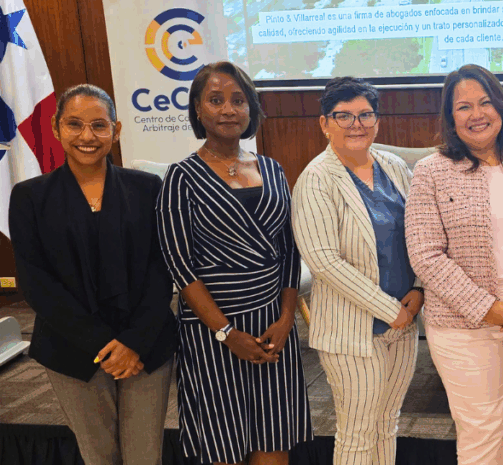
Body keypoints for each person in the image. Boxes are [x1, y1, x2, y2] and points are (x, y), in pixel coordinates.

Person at [405, 64, 503, 465]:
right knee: (480, 428)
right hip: (462, 325)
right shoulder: (431, 171)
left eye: (484, 102)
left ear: (501, 107)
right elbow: (425, 253)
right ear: (451, 118)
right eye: (463, 107)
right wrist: (485, 308)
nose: (476, 114)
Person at [9, 84, 176, 465]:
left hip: (145, 345)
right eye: (75, 124)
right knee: (99, 456)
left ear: (116, 130)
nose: (87, 136)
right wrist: (104, 344)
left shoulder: (147, 188)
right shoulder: (30, 196)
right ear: (56, 127)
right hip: (71, 347)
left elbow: (161, 270)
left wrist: (132, 343)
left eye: (99, 125)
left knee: (144, 457)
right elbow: (36, 282)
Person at [156, 61, 313, 465]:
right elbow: (179, 265)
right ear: (197, 109)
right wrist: (226, 333)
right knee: (221, 447)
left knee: (274, 441)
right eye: (215, 100)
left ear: (251, 109)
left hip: (272, 329)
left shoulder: (273, 169)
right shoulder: (181, 178)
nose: (228, 109)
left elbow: (289, 251)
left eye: (238, 100)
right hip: (212, 332)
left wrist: (287, 319)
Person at [292, 77, 423, 465]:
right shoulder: (316, 178)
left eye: (365, 115)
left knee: (386, 424)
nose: (356, 124)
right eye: (343, 116)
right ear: (324, 123)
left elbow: (422, 233)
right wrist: (390, 309)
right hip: (351, 331)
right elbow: (324, 261)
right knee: (357, 433)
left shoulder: (394, 166)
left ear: (377, 121)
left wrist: (418, 290)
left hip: (404, 323)